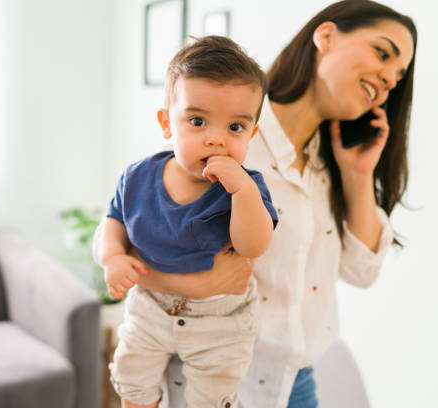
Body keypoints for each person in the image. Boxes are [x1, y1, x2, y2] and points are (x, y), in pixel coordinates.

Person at [93, 1, 417, 407]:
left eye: (399, 74)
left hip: (296, 385)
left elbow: (361, 271)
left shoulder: (328, 159)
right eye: (382, 53)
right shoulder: (218, 145)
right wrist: (196, 285)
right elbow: (132, 239)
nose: (389, 78)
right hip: (219, 380)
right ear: (327, 37)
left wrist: (358, 175)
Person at [97, 36, 279, 408]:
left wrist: (242, 192)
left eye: (235, 128)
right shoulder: (138, 177)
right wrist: (113, 257)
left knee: (214, 391)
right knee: (131, 375)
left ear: (252, 134)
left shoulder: (244, 187)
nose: (216, 139)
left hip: (220, 320)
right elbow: (113, 220)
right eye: (198, 121)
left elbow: (253, 246)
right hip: (150, 306)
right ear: (167, 123)